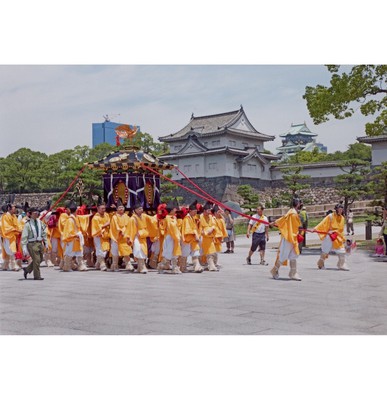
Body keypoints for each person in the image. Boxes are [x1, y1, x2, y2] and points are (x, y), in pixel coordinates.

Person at [269, 198, 303, 281]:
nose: (301, 204)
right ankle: (274, 270)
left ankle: (293, 273)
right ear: (297, 204)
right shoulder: (292, 213)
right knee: (283, 256)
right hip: (289, 236)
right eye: (300, 202)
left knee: (293, 255)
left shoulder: (294, 212)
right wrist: (275, 222)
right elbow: (283, 219)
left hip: (293, 236)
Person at [313, 202, 349, 271]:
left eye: (342, 209)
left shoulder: (342, 218)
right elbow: (323, 223)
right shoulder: (330, 216)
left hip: (337, 237)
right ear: (336, 209)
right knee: (325, 251)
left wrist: (343, 238)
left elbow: (341, 230)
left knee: (342, 251)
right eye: (339, 209)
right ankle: (320, 264)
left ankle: (341, 265)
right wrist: (316, 229)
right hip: (329, 236)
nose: (341, 211)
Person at [61, 200, 88, 271]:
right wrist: (75, 235)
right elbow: (69, 231)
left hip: (77, 238)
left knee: (79, 253)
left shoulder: (75, 218)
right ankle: (67, 267)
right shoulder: (70, 220)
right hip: (72, 239)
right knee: (69, 253)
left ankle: (80, 266)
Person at [21, 207, 47, 280]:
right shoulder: (27, 224)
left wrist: (46, 242)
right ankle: (37, 276)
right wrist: (24, 246)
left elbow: (44, 232)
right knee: (36, 260)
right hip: (32, 244)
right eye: (34, 213)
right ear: (30, 214)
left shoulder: (40, 222)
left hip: (39, 242)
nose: (36, 214)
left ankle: (27, 269)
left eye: (37, 213)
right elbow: (24, 236)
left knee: (41, 259)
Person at [109, 198, 134, 271]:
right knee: (115, 251)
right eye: (119, 207)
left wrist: (126, 233)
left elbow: (129, 226)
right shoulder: (114, 217)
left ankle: (128, 265)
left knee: (126, 251)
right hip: (117, 237)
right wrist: (120, 231)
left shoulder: (127, 217)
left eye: (122, 207)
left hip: (125, 237)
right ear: (116, 209)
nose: (121, 209)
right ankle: (114, 265)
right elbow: (115, 226)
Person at [180, 199, 203, 273]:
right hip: (188, 238)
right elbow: (187, 230)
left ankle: (197, 266)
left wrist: (197, 235)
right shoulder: (186, 219)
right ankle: (182, 267)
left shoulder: (193, 218)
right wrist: (195, 234)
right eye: (195, 211)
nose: (196, 213)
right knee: (185, 253)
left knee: (195, 252)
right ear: (190, 211)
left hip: (193, 239)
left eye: (196, 212)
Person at [1, 203, 22, 271]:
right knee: (11, 250)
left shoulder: (14, 216)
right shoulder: (5, 216)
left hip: (13, 235)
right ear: (9, 208)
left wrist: (20, 229)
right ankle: (14, 266)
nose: (15, 208)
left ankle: (5, 265)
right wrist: (15, 230)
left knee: (9, 251)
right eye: (13, 207)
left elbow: (18, 225)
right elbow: (6, 227)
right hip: (7, 236)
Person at [199, 201, 218, 271]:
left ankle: (211, 265)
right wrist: (205, 232)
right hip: (203, 236)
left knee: (211, 251)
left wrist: (212, 228)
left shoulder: (211, 217)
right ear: (204, 211)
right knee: (204, 252)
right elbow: (199, 227)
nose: (209, 212)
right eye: (208, 210)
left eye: (210, 210)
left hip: (210, 236)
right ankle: (208, 264)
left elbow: (214, 225)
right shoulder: (200, 217)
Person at [91, 202, 111, 271]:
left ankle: (97, 264)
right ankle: (102, 265)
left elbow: (109, 222)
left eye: (104, 208)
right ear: (98, 209)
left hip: (105, 235)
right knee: (100, 250)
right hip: (98, 236)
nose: (103, 210)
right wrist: (105, 225)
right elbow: (98, 228)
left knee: (105, 250)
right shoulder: (95, 218)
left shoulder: (106, 215)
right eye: (102, 208)